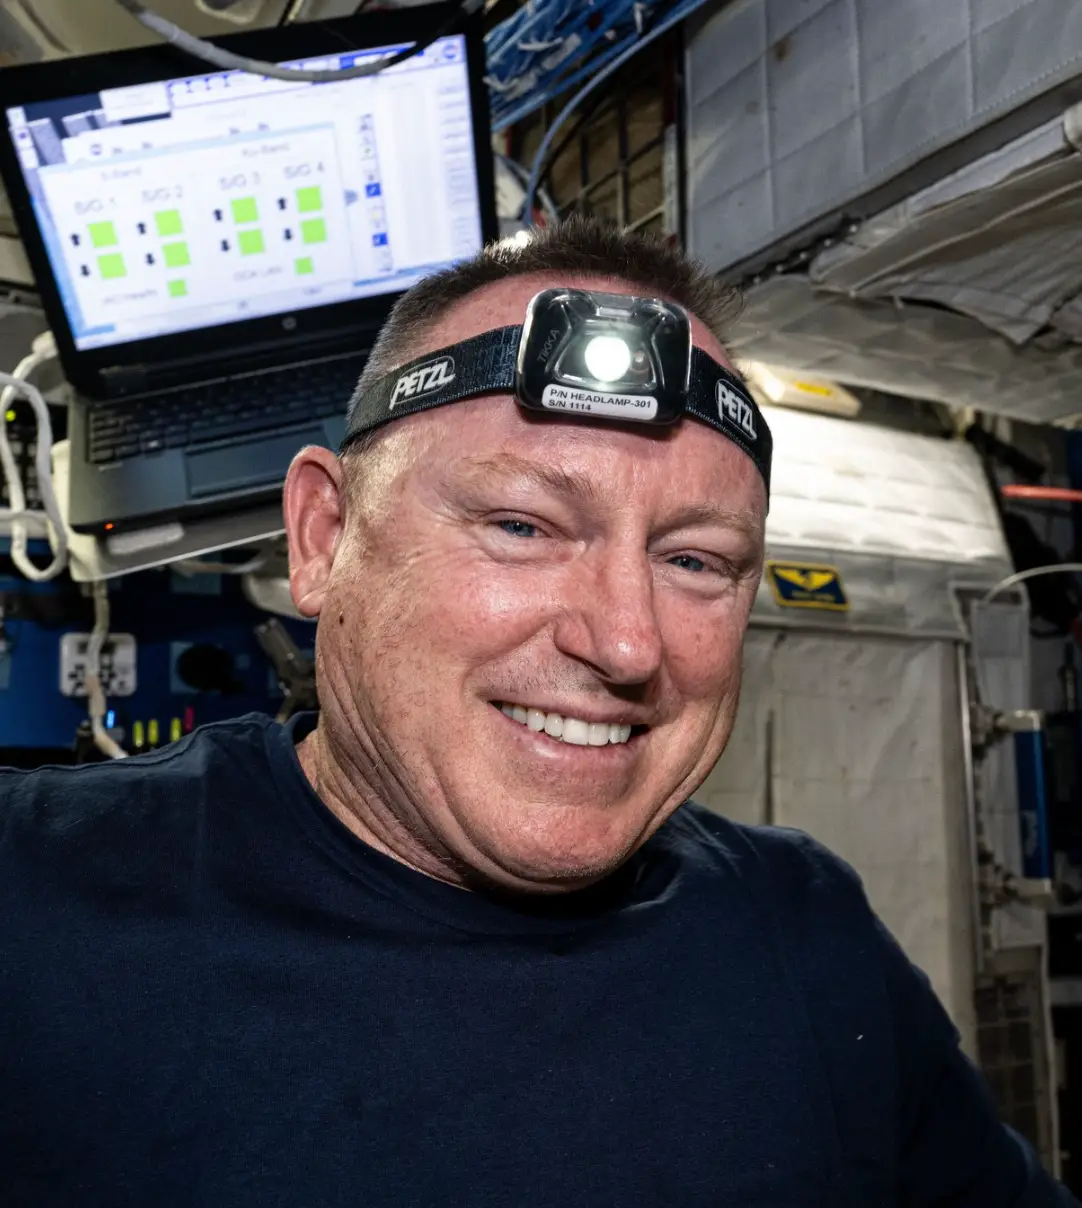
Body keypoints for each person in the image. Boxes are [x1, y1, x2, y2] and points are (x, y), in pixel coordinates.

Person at [0, 217, 1075, 1208]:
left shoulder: (805, 930)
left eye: (694, 558)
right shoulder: (32, 910)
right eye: (521, 524)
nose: (625, 641)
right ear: (324, 536)